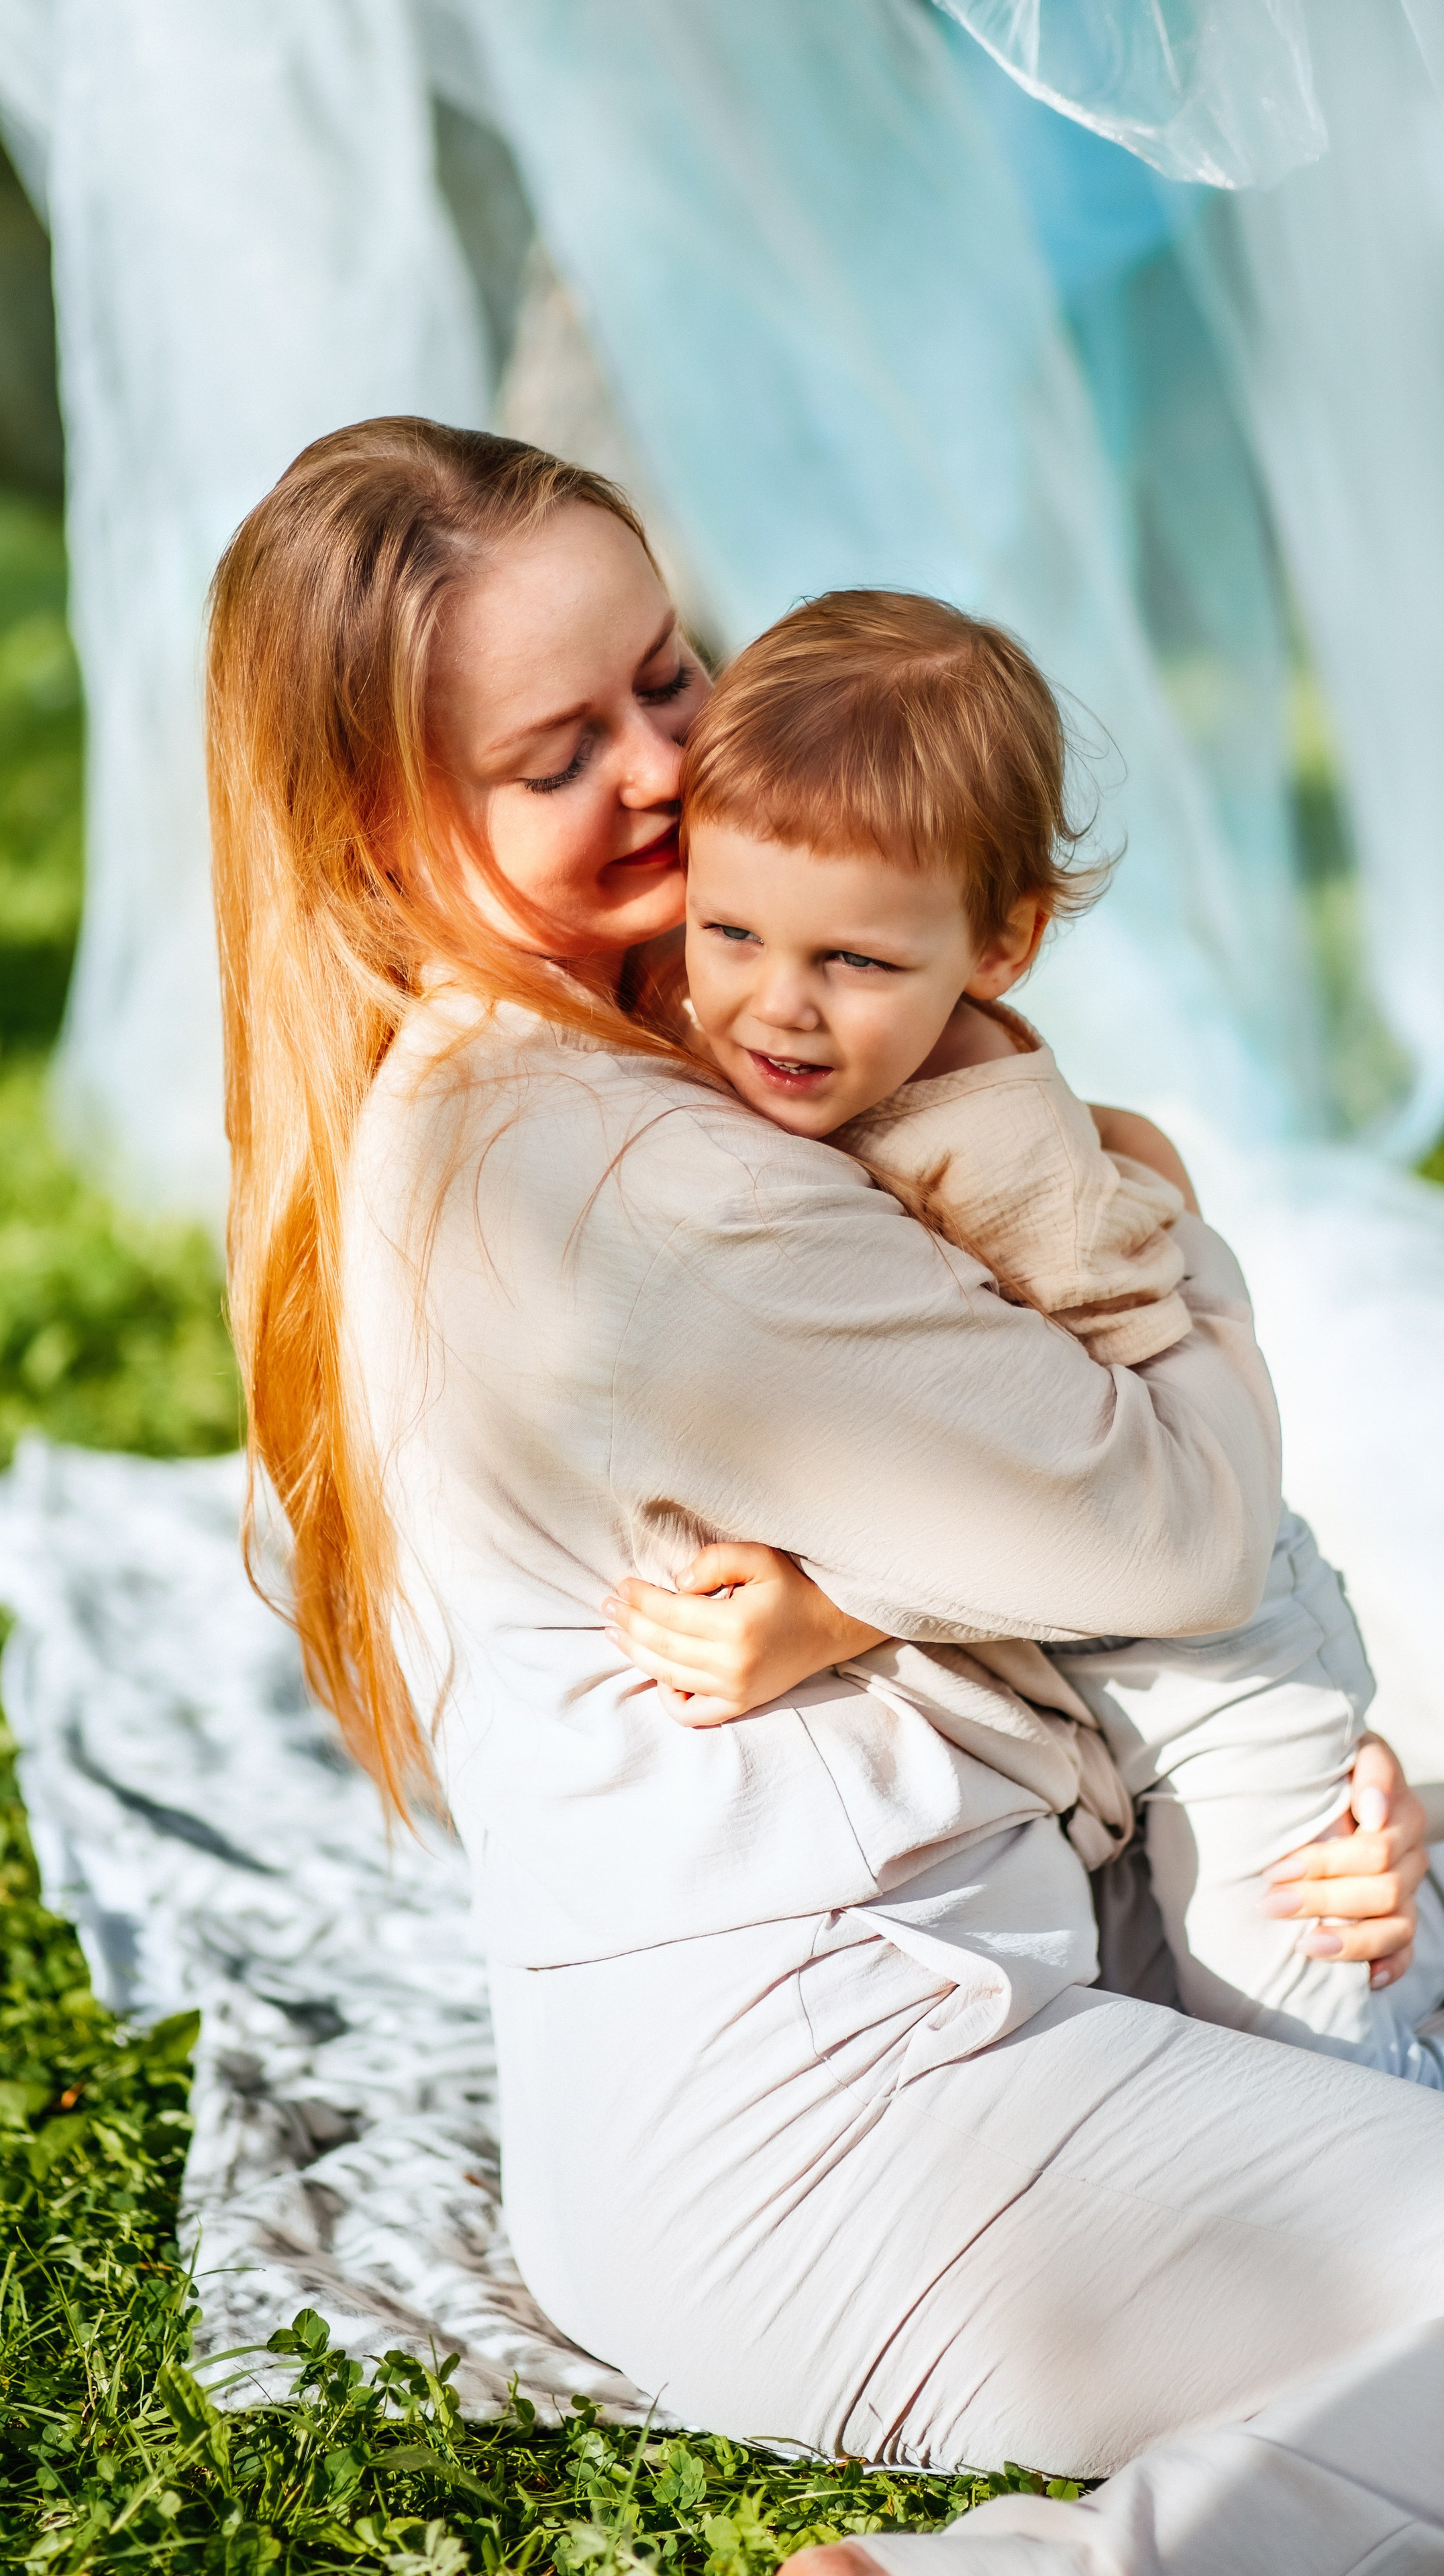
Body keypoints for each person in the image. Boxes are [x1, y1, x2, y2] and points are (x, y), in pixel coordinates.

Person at [205, 415, 1444, 2571]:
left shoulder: (569, 1062)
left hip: (877, 2033)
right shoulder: (637, 1193)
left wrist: (1268, 1817)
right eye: (556, 749)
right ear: (387, 826)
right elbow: (1179, 1530)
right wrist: (1163, 1203)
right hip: (864, 2122)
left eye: (666, 676)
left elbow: (1012, 1556)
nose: (667, 772)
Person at [603, 587, 1444, 2086]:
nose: (774, 1010)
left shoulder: (1009, 1166)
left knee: (1303, 2020)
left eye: (854, 964)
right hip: (1072, 1656)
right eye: (726, 931)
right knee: (1172, 2018)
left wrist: (836, 1611)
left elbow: (1094, 1487)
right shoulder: (746, 1034)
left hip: (1213, 1651)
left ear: (999, 943)